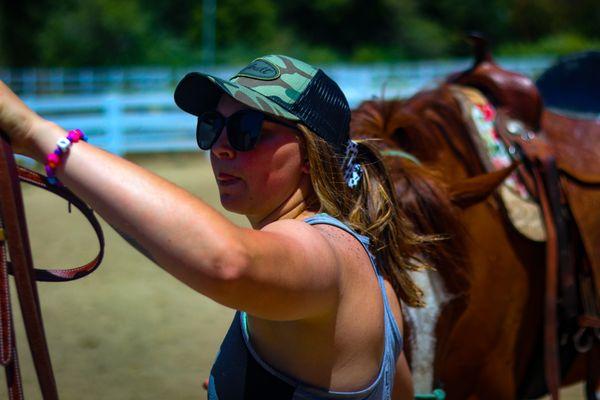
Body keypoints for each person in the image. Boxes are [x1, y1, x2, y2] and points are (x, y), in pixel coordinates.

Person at [0, 54, 425, 399]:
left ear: (312, 155)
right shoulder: (377, 279)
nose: (220, 147)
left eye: (247, 129)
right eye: (212, 126)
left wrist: (36, 134)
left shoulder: (323, 251)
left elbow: (228, 263)